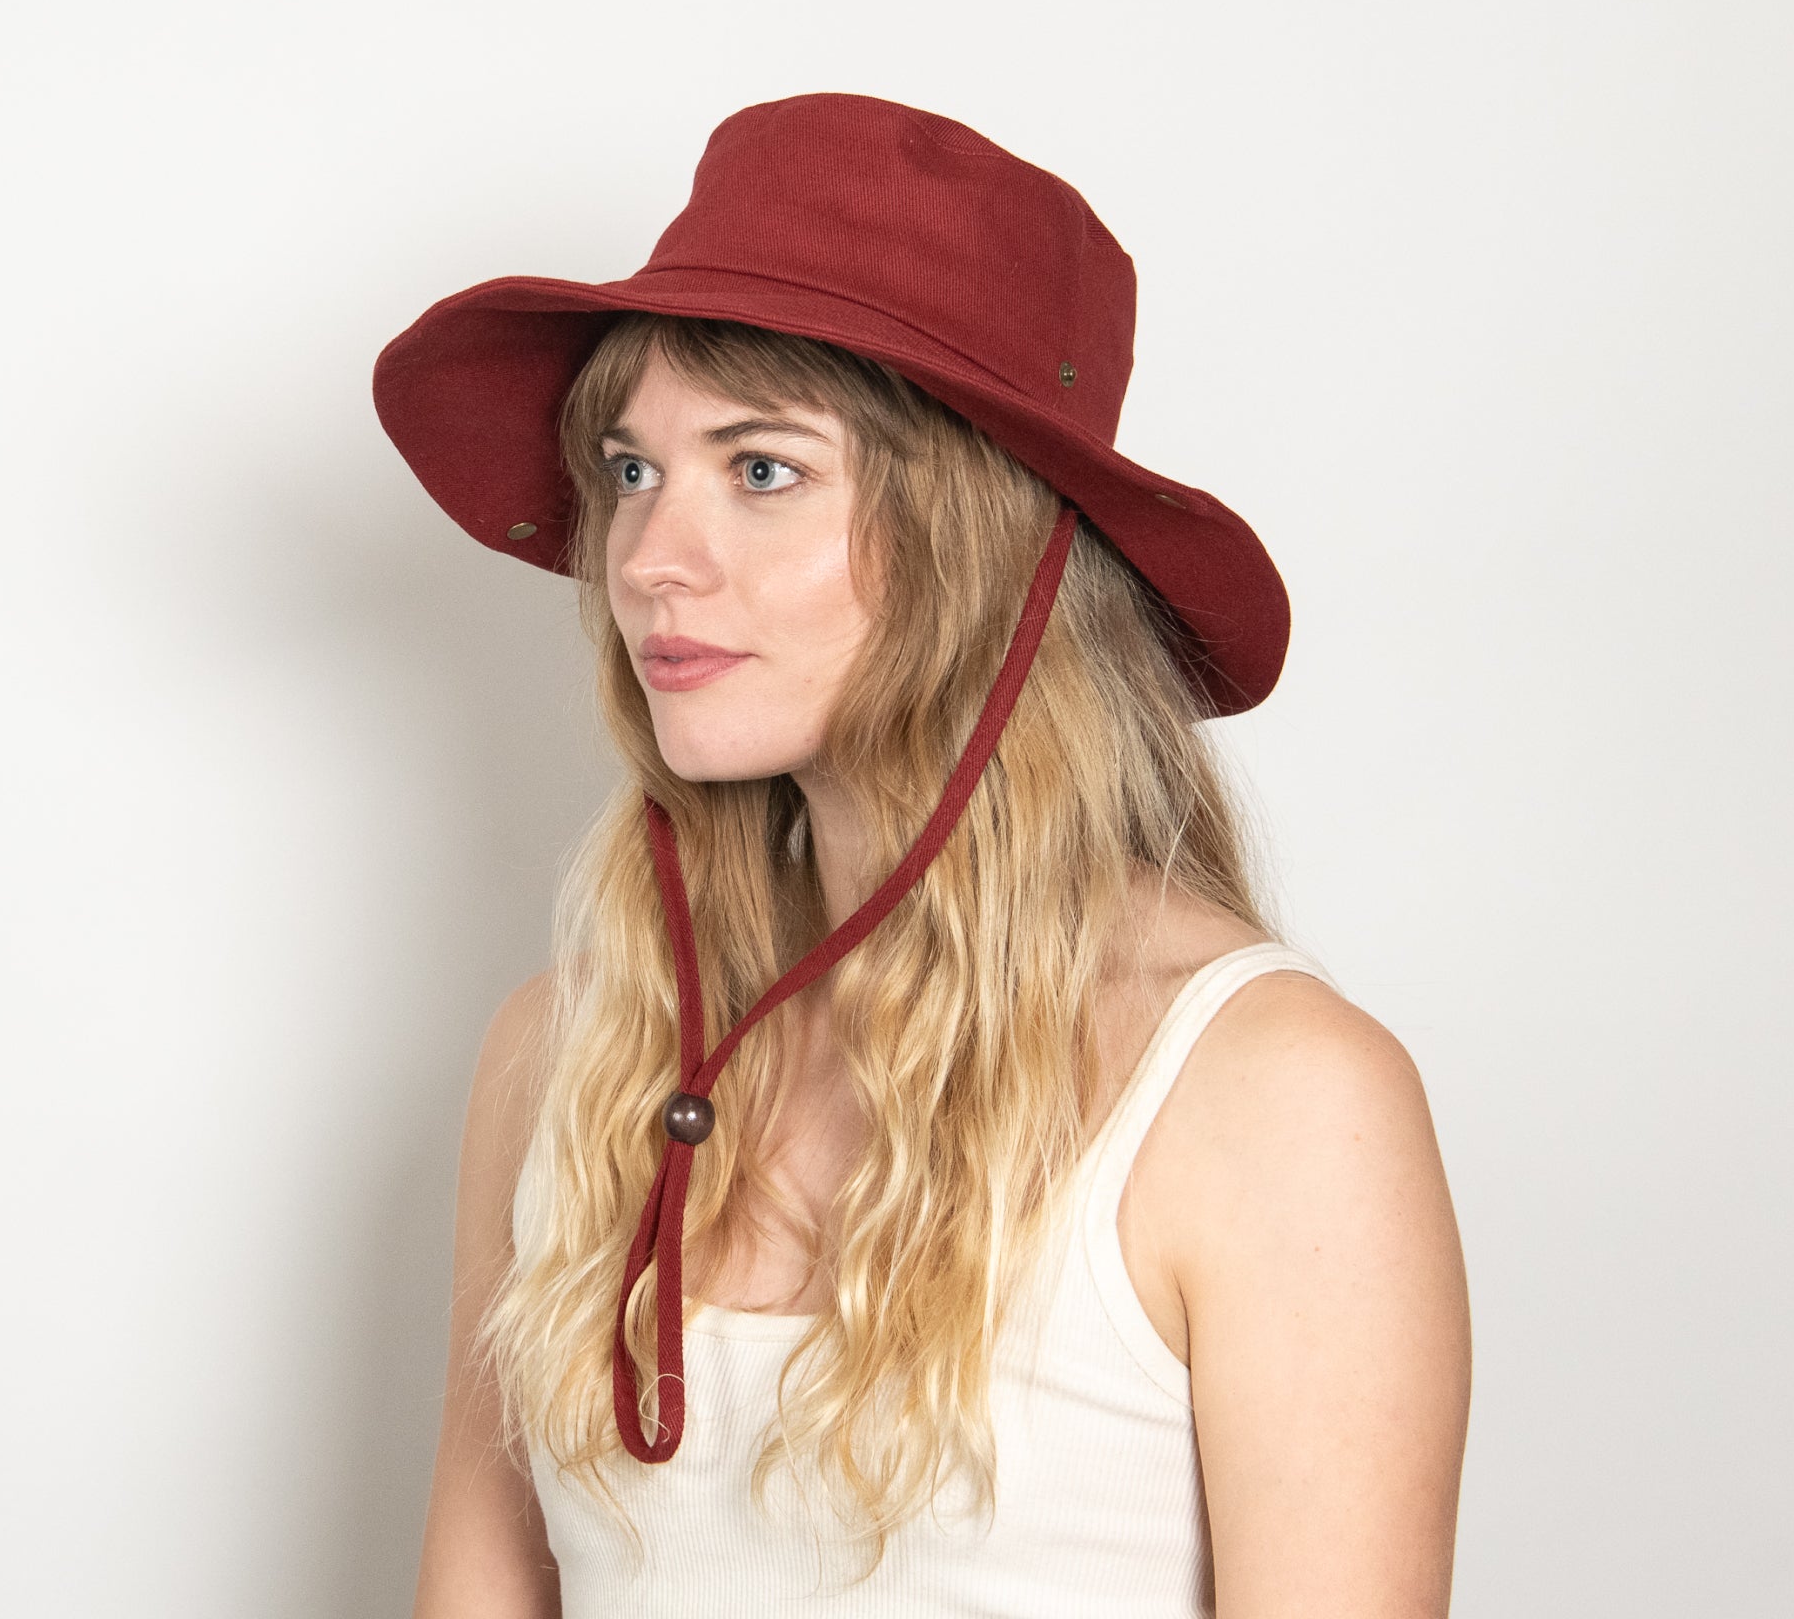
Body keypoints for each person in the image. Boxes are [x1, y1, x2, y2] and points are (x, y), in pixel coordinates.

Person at [376, 93, 1471, 1617]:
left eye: (761, 469)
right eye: (632, 471)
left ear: (983, 542)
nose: (648, 557)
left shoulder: (1269, 1094)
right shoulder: (570, 1053)